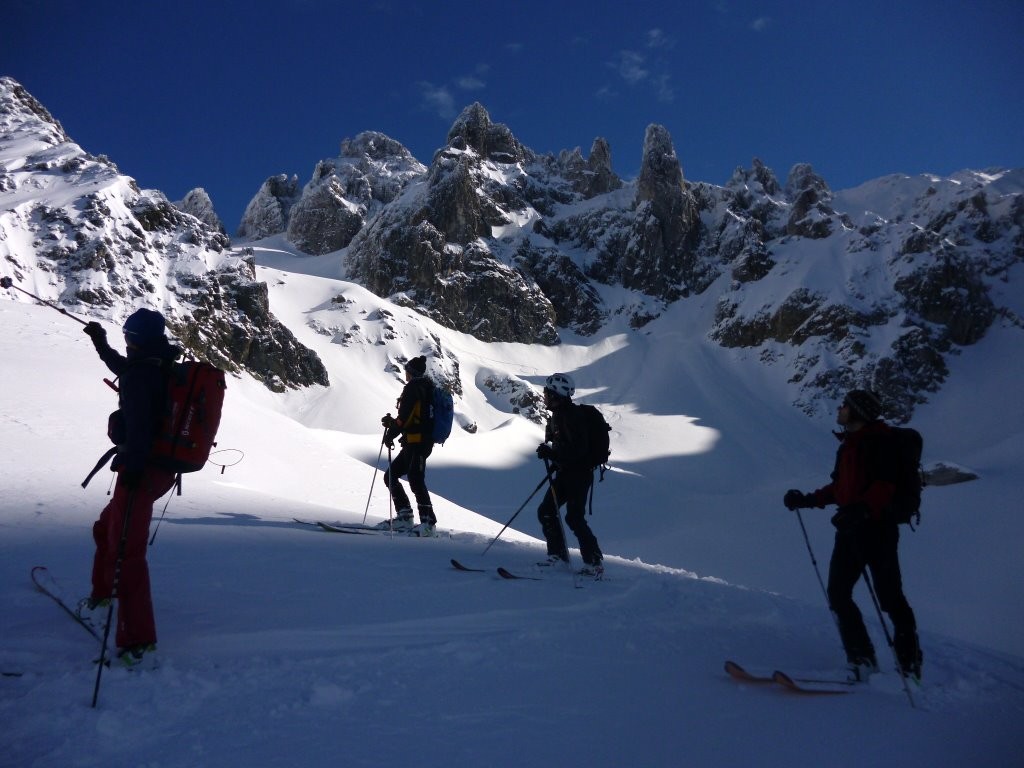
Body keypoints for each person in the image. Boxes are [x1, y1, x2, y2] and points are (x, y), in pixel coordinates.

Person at [783, 389, 923, 681]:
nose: (840, 408)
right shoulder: (850, 445)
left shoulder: (879, 442)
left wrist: (860, 510)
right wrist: (806, 499)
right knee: (838, 593)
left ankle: (909, 663)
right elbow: (840, 488)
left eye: (845, 405)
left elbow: (884, 486)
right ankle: (862, 659)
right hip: (850, 529)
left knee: (889, 597)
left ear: (857, 412)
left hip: (877, 530)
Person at [79, 309, 180, 667]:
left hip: (140, 472)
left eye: (126, 335)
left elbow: (138, 427)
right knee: (106, 529)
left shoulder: (143, 374)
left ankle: (139, 640)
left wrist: (133, 469)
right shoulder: (159, 364)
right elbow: (125, 369)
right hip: (156, 471)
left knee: (128, 552)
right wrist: (100, 344)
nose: (126, 340)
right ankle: (103, 594)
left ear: (135, 338)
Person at [535, 373, 604, 576]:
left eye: (547, 392)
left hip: (579, 475)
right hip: (566, 473)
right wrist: (552, 455)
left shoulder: (572, 416)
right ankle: (558, 557)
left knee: (574, 518)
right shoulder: (558, 416)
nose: (544, 396)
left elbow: (578, 450)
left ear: (556, 394)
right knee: (546, 511)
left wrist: (553, 454)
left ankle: (594, 562)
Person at [379, 356, 437, 536]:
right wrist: (394, 424)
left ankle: (428, 524)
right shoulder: (427, 387)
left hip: (417, 442)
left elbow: (404, 418)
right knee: (392, 475)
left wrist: (391, 433)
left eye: (407, 371)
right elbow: (408, 418)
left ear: (410, 372)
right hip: (416, 442)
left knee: (415, 479)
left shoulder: (413, 388)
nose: (406, 374)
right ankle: (405, 516)